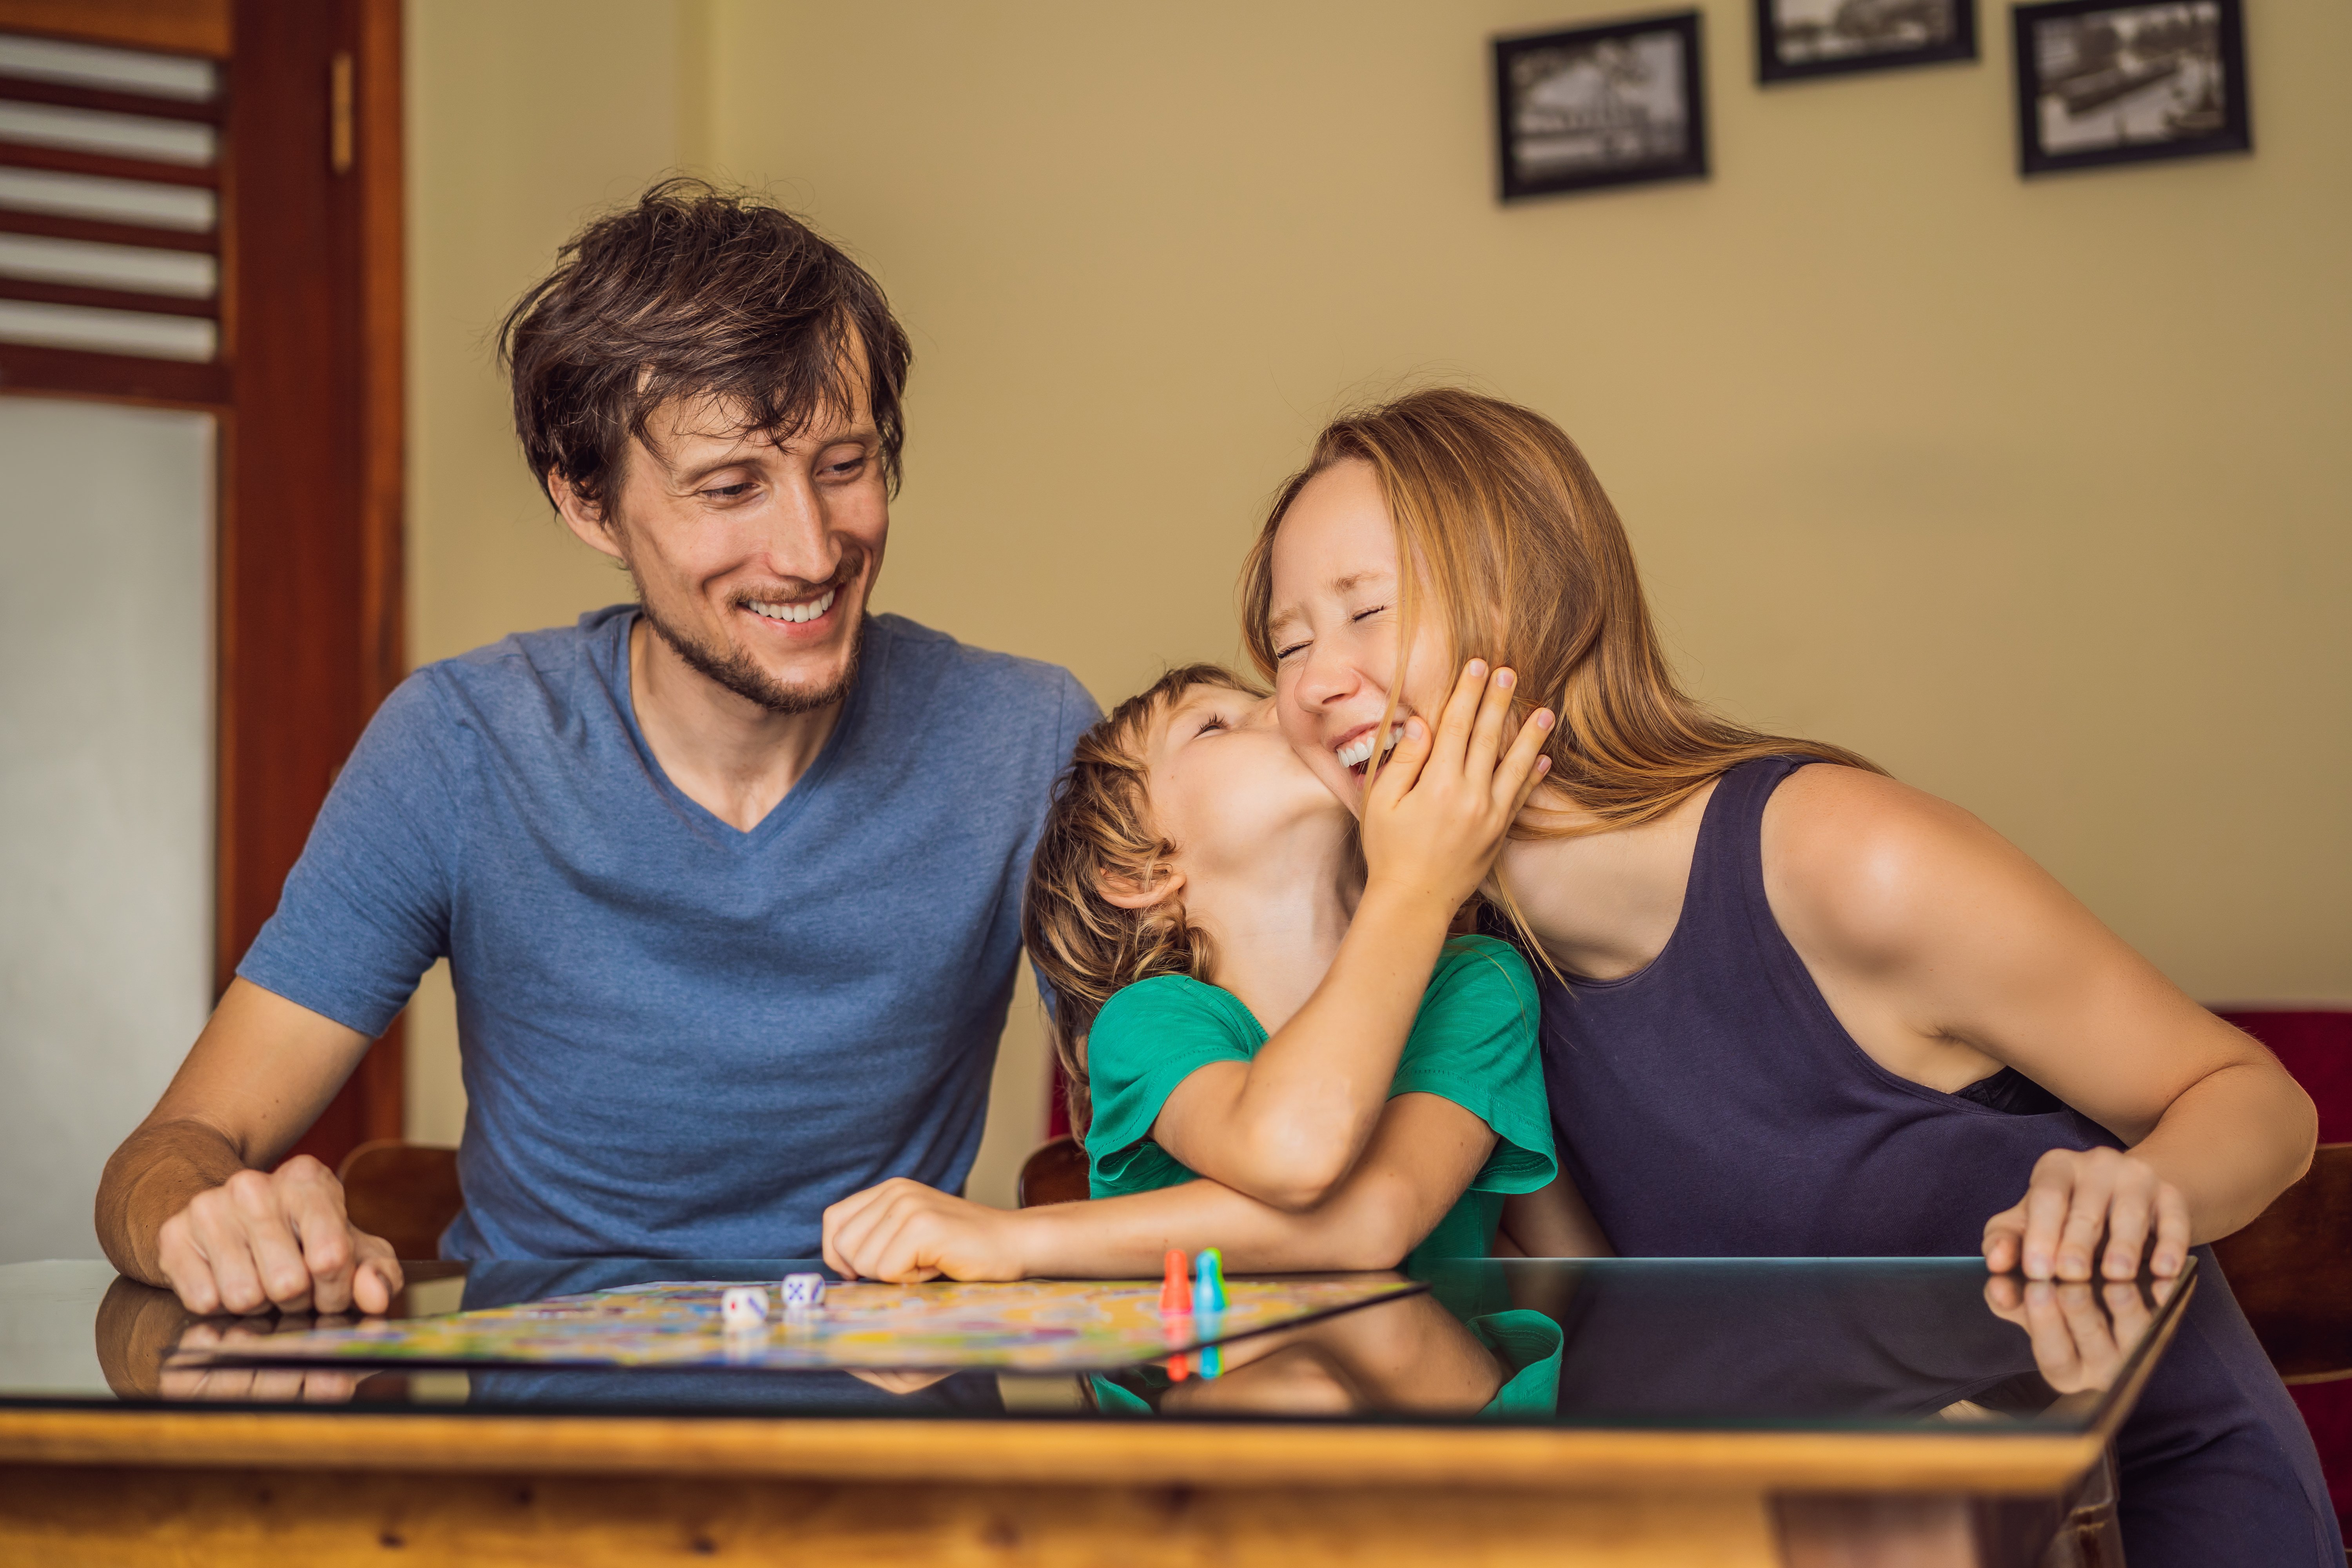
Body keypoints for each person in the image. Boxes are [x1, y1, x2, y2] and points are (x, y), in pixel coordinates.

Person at [1241, 386, 2339, 1566]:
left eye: (1365, 611)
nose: (1316, 683)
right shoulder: (1473, 983)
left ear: (1530, 602)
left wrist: (2151, 1191)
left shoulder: (1842, 858)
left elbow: (2257, 1098)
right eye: (1290, 644)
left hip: (2140, 1511)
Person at [95, 180, 1096, 1318]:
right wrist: (208, 1215)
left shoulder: (1027, 742)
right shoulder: (461, 746)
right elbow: (169, 1152)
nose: (812, 550)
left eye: (844, 466)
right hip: (541, 1447)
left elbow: (1210, 1132)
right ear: (588, 502)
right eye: (731, 488)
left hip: (890, 1437)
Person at [820, 662, 1609, 1283]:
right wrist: (1416, 890)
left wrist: (1016, 1238)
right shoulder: (1148, 1022)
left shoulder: (1476, 984)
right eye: (1213, 723)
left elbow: (1387, 1222)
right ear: (1140, 870)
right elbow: (1292, 1149)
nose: (1289, 705)